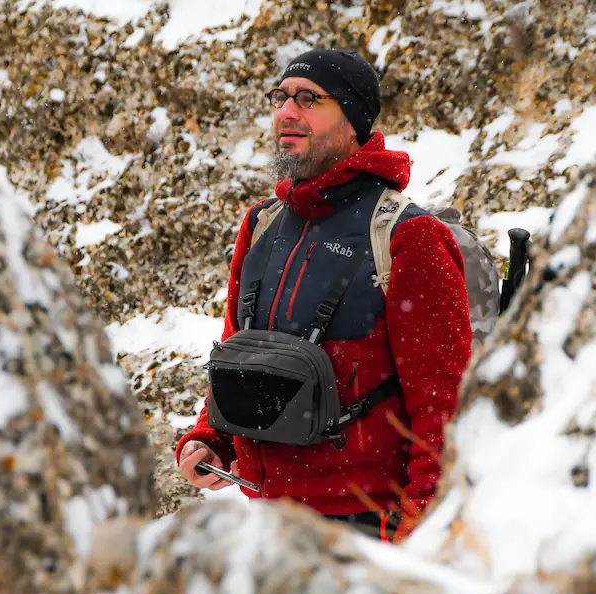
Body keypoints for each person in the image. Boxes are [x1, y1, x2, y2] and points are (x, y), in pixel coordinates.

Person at [176, 47, 472, 540]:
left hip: (363, 531)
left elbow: (445, 405)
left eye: (309, 99)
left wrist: (420, 537)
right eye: (281, 97)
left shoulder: (407, 236)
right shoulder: (261, 223)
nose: (286, 113)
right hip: (264, 519)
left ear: (353, 121)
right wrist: (212, 439)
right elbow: (243, 348)